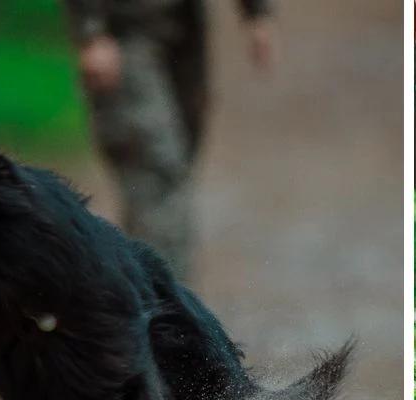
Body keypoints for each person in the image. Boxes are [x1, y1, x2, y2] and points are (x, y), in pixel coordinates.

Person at [62, 0, 275, 276]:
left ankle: (164, 294)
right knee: (156, 171)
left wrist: (256, 13)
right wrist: (90, 31)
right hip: (122, 36)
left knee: (178, 167)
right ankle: (166, 303)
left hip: (185, 32)